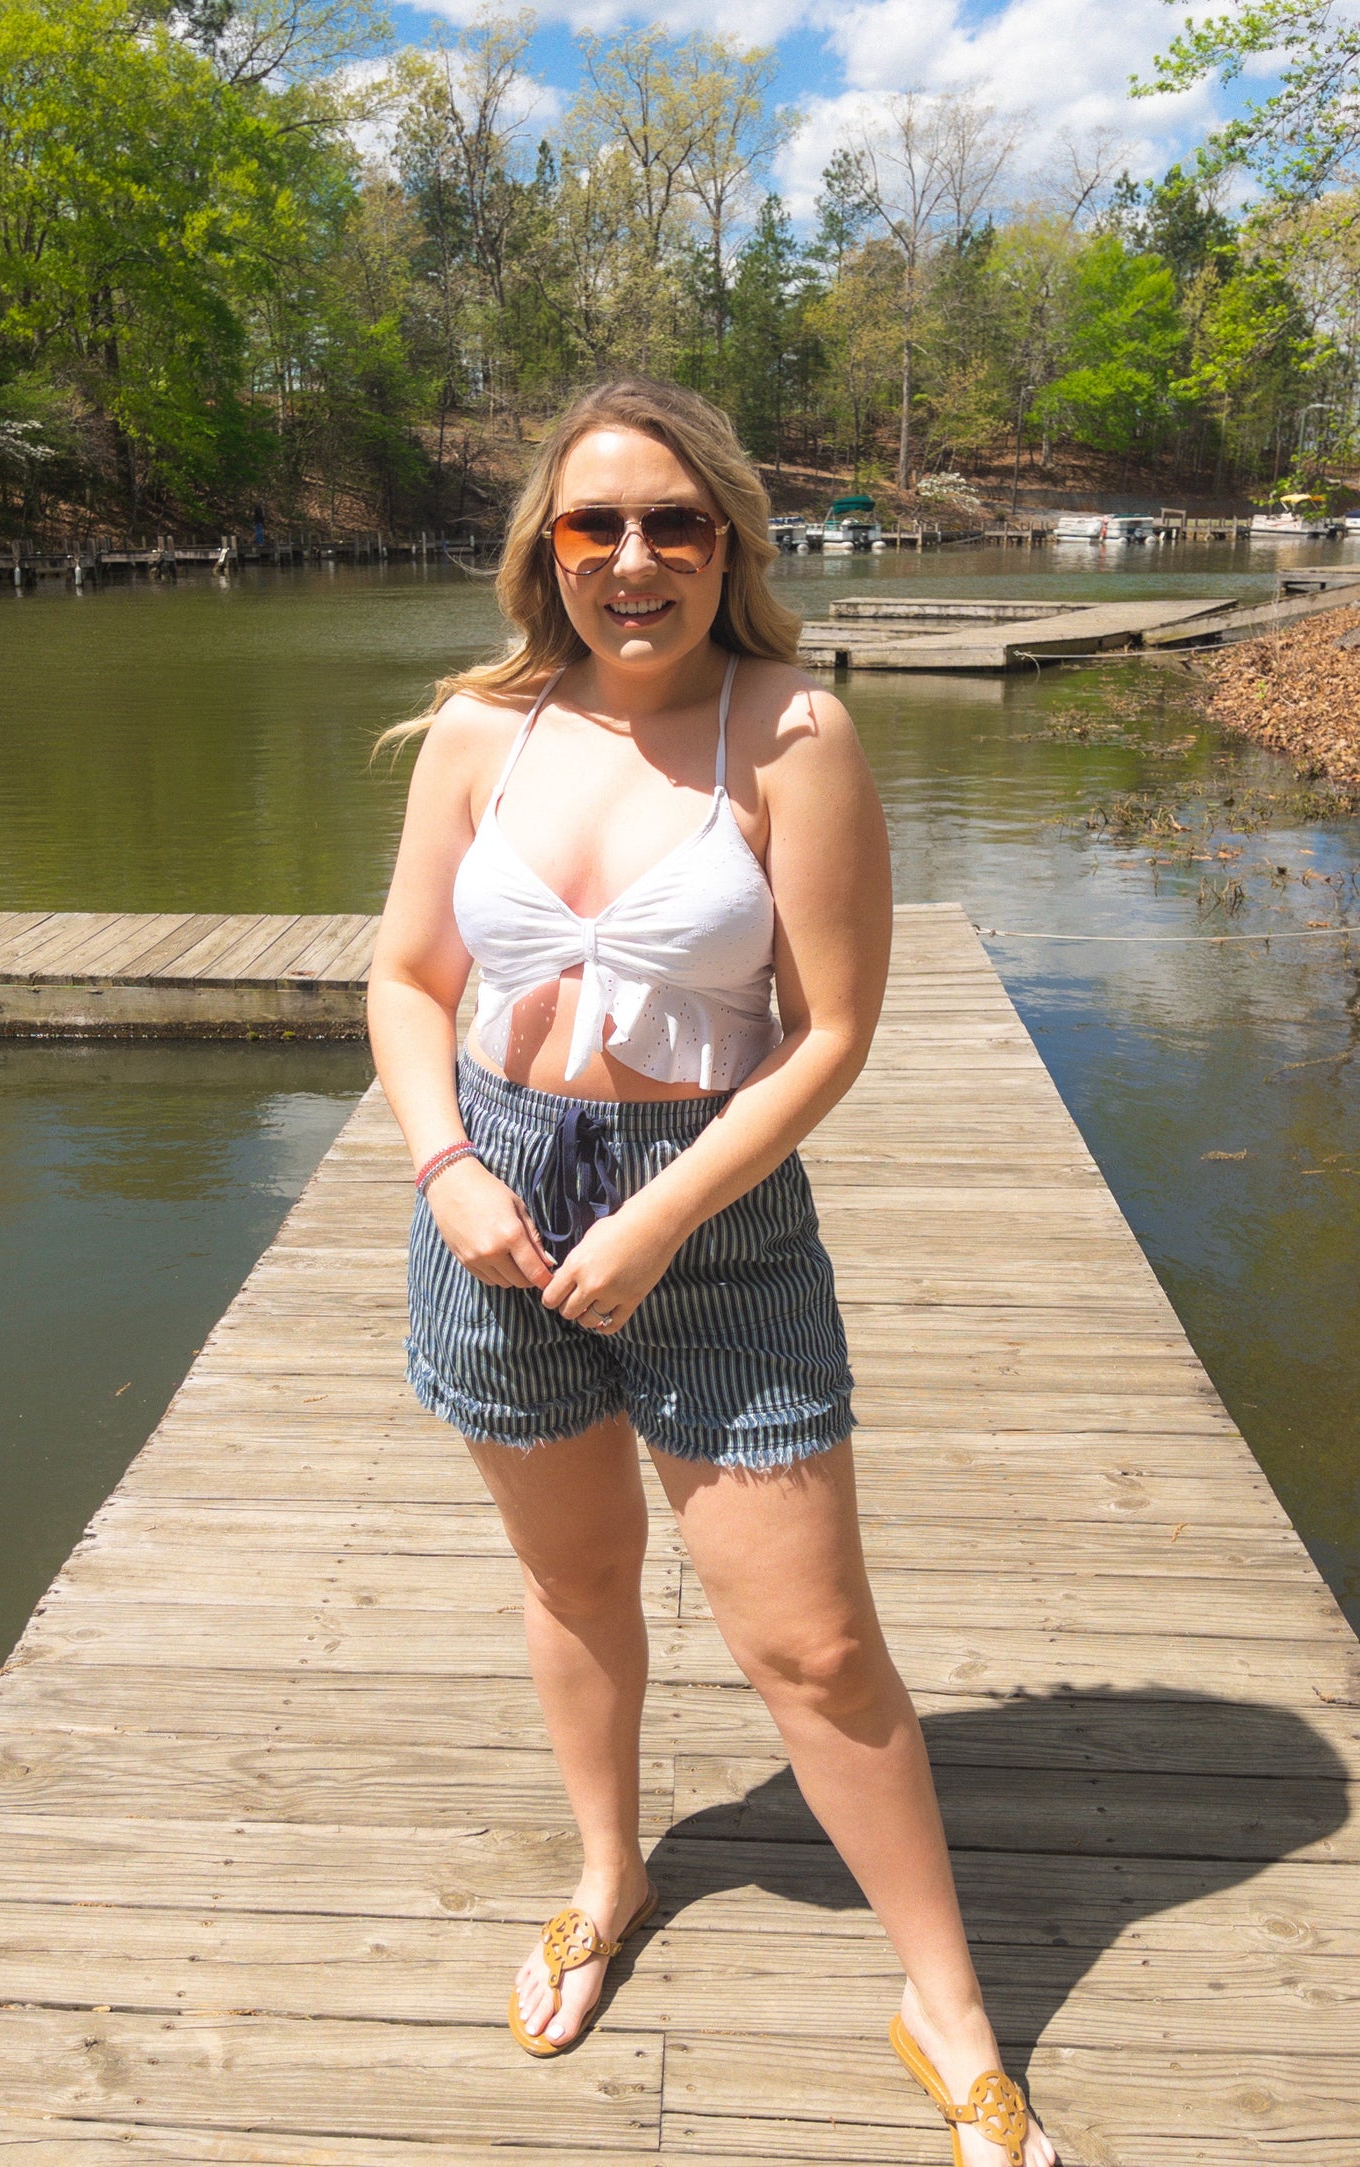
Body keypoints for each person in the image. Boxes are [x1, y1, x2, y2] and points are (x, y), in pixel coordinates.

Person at [367, 378, 1055, 2167]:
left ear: (730, 543)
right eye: (594, 525)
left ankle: (946, 2005)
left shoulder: (794, 736)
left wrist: (663, 1215)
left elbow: (830, 1035)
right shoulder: (478, 731)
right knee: (577, 1581)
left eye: (674, 522)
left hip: (712, 1213)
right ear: (546, 553)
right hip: (492, 1206)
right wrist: (444, 1167)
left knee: (813, 1648)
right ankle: (608, 1876)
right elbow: (406, 982)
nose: (635, 558)